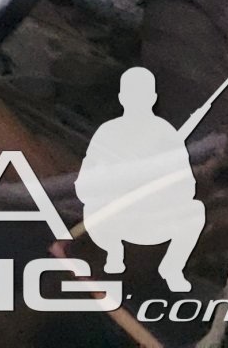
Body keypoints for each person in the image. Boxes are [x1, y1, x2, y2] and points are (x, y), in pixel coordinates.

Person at [76, 66, 204, 291]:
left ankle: (172, 268)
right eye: (132, 94)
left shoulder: (166, 133)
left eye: (144, 95)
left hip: (151, 217)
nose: (138, 101)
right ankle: (114, 256)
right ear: (122, 98)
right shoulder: (108, 132)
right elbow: (85, 182)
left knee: (195, 211)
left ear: (153, 98)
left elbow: (187, 185)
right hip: (111, 219)